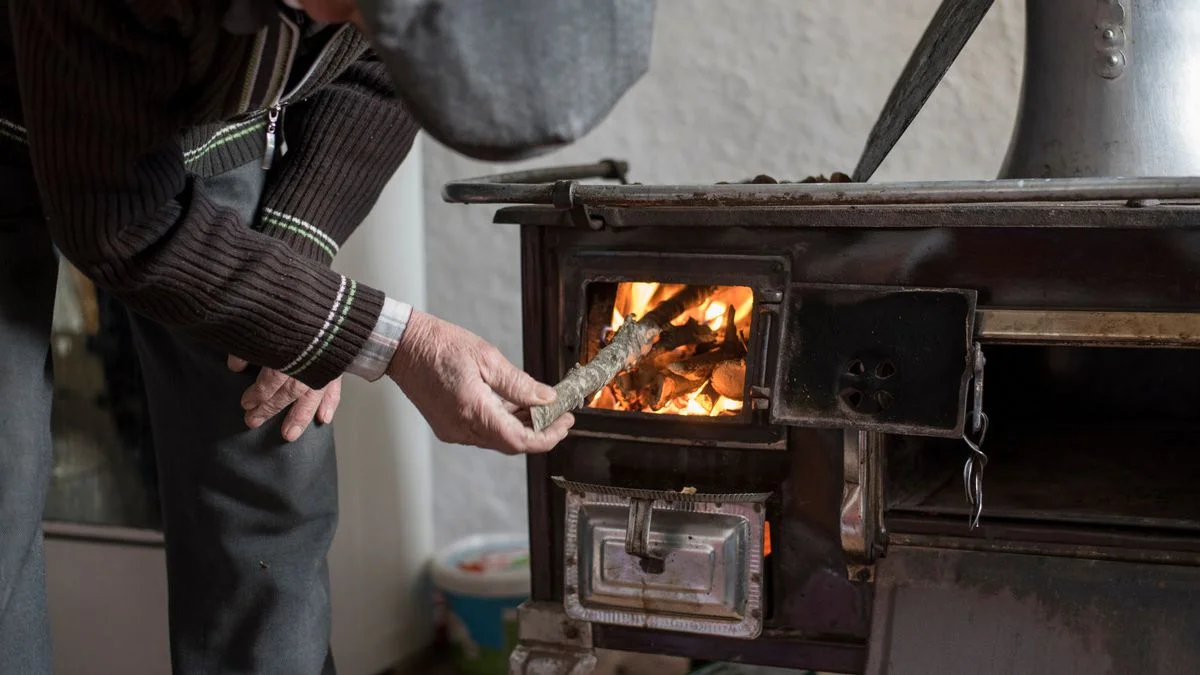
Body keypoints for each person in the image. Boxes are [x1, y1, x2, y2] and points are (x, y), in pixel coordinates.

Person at [0, 0, 579, 672]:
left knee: (266, 442)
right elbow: (120, 224)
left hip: (202, 123)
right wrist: (387, 339)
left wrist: (294, 297)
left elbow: (386, 77)